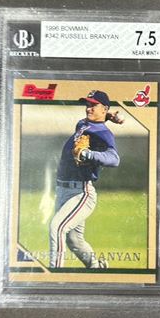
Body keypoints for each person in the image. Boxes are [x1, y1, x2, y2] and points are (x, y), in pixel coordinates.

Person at [49, 90, 122, 268]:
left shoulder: (104, 134)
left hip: (80, 193)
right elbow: (96, 121)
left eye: (93, 105)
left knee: (57, 228)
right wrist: (109, 115)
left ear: (103, 108)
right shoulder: (83, 123)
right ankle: (97, 268)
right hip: (63, 190)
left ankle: (54, 274)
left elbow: (114, 159)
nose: (88, 108)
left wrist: (88, 154)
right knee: (74, 240)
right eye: (87, 104)